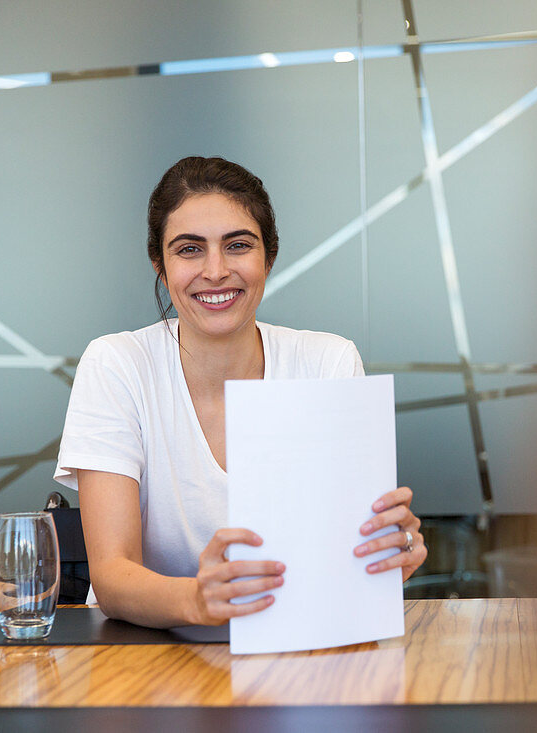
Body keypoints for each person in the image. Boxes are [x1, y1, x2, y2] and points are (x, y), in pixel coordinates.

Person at [53, 156, 427, 628]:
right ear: (160, 266)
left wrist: (391, 552)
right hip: (141, 655)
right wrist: (197, 601)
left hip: (293, 644)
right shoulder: (117, 364)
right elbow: (112, 577)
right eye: (189, 249)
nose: (215, 270)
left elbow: (346, 559)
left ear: (268, 258)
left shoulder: (328, 362)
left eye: (237, 245)